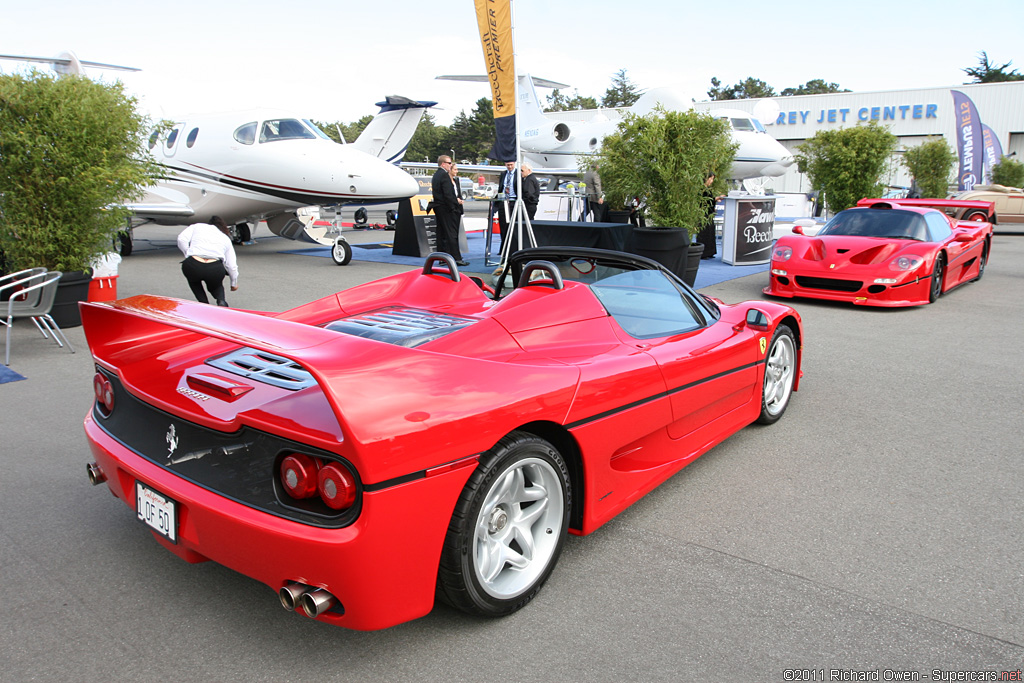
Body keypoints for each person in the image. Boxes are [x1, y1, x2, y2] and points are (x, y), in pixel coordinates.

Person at [177, 216, 239, 306]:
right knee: (216, 286)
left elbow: (181, 239)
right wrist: (233, 283)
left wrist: (188, 253)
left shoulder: (197, 226)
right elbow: (231, 265)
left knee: (194, 282)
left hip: (193, 263)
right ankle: (221, 301)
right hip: (214, 267)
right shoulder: (225, 238)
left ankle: (204, 303)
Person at [431, 154, 467, 266]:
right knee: (451, 234)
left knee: (441, 233)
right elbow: (448, 194)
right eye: (449, 163)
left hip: (438, 207)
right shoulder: (444, 176)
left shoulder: (436, 175)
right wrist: (456, 203)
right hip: (446, 208)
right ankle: (456, 258)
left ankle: (442, 257)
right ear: (443, 164)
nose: (450, 165)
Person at [695, 173, 719, 259]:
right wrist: (715, 199)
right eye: (711, 179)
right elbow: (703, 202)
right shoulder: (701, 189)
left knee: (710, 231)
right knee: (704, 232)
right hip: (703, 213)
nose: (711, 181)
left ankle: (710, 251)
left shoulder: (708, 189)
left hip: (709, 213)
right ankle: (704, 253)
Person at [496, 160, 518, 247]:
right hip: (503, 202)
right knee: (503, 225)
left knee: (512, 225)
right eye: (508, 165)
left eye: (511, 165)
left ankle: (512, 246)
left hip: (513, 202)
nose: (509, 167)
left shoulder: (518, 174)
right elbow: (501, 188)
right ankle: (503, 246)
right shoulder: (503, 174)